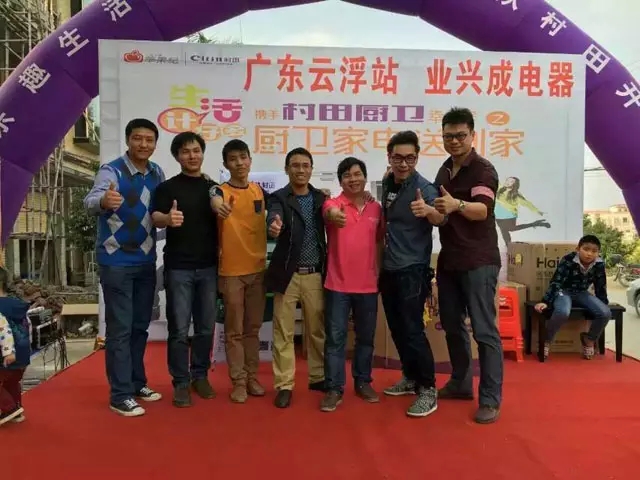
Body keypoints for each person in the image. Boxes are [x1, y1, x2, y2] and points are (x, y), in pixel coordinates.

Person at [84, 118, 165, 417]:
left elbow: (158, 212)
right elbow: (90, 201)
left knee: (139, 327)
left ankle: (136, 383)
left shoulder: (157, 173)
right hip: (115, 262)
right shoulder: (112, 170)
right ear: (128, 140)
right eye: (137, 138)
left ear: (155, 144)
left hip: (145, 260)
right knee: (120, 329)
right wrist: (105, 200)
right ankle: (119, 395)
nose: (143, 144)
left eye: (149, 140)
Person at [433, 107, 503, 425]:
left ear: (473, 135)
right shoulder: (444, 170)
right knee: (451, 324)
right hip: (450, 260)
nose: (454, 141)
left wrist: (456, 204)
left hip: (478, 261)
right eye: (448, 136)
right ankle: (461, 383)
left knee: (484, 331)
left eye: (460, 135)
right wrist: (431, 212)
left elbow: (482, 210)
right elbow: (442, 215)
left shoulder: (482, 170)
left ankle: (490, 398)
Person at [379, 131, 445, 418]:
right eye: (398, 157)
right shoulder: (388, 182)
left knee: (413, 330)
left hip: (412, 270)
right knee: (397, 328)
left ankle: (428, 388)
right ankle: (410, 376)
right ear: (390, 157)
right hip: (389, 268)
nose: (403, 163)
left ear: (417, 158)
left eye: (410, 158)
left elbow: (441, 218)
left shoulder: (425, 188)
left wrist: (429, 211)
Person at [151, 131, 219, 407]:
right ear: (177, 156)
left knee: (205, 327)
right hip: (179, 267)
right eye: (186, 151)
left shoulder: (213, 188)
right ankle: (180, 381)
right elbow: (155, 217)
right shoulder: (167, 188)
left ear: (202, 153)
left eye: (196, 150)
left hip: (209, 268)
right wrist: (168, 218)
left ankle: (200, 376)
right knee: (179, 329)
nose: (192, 156)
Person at [320, 157, 384, 412]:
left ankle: (363, 381)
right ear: (340, 181)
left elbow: (379, 242)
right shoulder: (333, 204)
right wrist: (334, 215)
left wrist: (378, 273)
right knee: (335, 340)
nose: (353, 179)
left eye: (357, 174)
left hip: (368, 285)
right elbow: (328, 212)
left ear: (365, 177)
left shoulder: (376, 208)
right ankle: (334, 388)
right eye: (347, 175)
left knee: (366, 338)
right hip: (337, 285)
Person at [266, 147, 328, 409]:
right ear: (286, 169)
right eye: (295, 165)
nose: (300, 170)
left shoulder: (321, 199)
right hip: (287, 274)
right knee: (283, 331)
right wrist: (274, 225)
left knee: (317, 330)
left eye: (305, 165)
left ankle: (318, 377)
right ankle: (284, 384)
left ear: (311, 169)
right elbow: (273, 215)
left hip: (315, 273)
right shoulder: (279, 197)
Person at [210, 139, 268, 404]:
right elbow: (213, 198)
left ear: (250, 160)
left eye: (243, 157)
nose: (239, 163)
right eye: (233, 159)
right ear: (226, 164)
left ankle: (252, 377)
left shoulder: (258, 191)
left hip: (258, 270)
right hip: (231, 271)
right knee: (233, 331)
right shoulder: (219, 191)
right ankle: (239, 381)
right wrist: (217, 205)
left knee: (252, 329)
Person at [534, 235, 609, 360]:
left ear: (598, 253)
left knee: (605, 312)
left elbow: (601, 286)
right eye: (586, 249)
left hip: (582, 293)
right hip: (563, 292)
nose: (589, 254)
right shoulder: (568, 260)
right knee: (563, 312)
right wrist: (545, 301)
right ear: (578, 249)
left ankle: (589, 339)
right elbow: (556, 282)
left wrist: (603, 304)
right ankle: (546, 340)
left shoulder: (599, 264)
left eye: (594, 251)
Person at [0, 267, 30, 425]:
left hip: (5, 355)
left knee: (5, 380)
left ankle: (9, 408)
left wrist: (7, 352)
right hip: (23, 355)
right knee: (11, 382)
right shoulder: (17, 305)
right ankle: (17, 410)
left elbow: (3, 332)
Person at [495, 176, 550, 247]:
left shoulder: (516, 195)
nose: (508, 182)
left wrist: (537, 211)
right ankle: (509, 247)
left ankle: (533, 224)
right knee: (504, 230)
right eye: (507, 180)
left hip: (509, 215)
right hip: (498, 215)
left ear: (514, 184)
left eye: (511, 181)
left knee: (509, 229)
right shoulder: (500, 189)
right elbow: (495, 181)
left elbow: (527, 203)